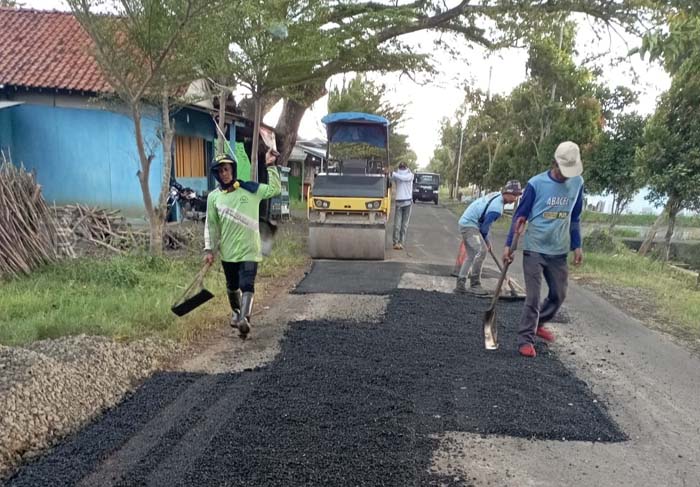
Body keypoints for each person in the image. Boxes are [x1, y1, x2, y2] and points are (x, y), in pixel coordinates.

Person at [503, 141, 584, 358]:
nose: (567, 176)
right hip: (535, 248)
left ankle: (539, 323)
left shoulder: (577, 183)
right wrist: (509, 245)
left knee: (559, 294)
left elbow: (575, 217)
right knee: (533, 296)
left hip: (558, 250)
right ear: (555, 163)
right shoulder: (536, 184)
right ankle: (525, 339)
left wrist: (577, 245)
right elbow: (520, 216)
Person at [204, 149, 281, 339]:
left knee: (247, 283)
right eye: (220, 171)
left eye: (227, 169)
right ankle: (237, 312)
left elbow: (274, 189)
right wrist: (208, 249)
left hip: (250, 249)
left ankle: (245, 319)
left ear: (233, 170)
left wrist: (270, 165)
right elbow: (211, 225)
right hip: (228, 252)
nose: (224, 173)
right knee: (232, 286)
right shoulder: (214, 197)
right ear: (216, 174)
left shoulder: (250, 189)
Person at [454, 181, 523, 295]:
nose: (515, 198)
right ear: (506, 193)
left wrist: (487, 241)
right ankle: (475, 285)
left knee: (472, 255)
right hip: (469, 225)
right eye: (514, 195)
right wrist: (486, 242)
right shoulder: (497, 208)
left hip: (467, 223)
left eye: (517, 196)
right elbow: (485, 228)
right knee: (481, 251)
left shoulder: (496, 195)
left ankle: (460, 285)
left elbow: (486, 224)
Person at [392, 163, 414, 250]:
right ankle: (395, 243)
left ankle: (401, 242)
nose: (402, 169)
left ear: (406, 168)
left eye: (403, 167)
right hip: (399, 202)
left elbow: (403, 178)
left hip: (408, 202)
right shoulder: (397, 175)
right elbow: (392, 178)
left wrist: (392, 173)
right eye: (401, 167)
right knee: (397, 225)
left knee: (404, 225)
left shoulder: (410, 175)